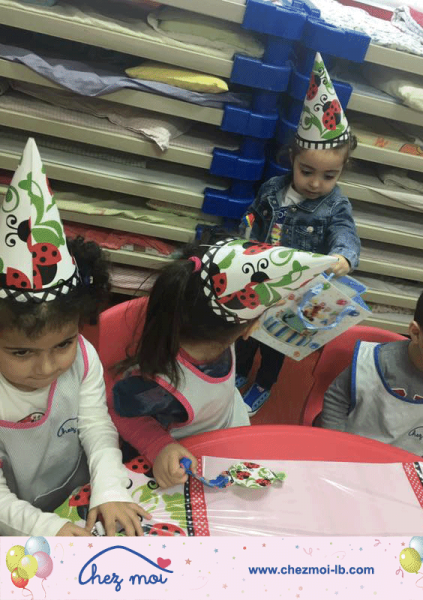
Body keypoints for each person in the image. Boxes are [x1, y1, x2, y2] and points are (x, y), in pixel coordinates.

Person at [0, 138, 148, 536]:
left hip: (76, 493)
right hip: (15, 521)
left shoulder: (83, 358)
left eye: (63, 344)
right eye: (21, 352)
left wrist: (110, 487)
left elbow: (96, 425)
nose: (48, 367)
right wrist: (46, 528)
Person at [111, 237, 337, 488]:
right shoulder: (159, 384)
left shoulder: (218, 329)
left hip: (225, 428)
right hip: (185, 454)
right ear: (249, 328)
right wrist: (158, 446)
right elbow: (118, 411)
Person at [236, 52, 361, 416]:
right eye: (307, 171)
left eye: (329, 176)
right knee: (246, 333)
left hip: (299, 289)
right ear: (292, 158)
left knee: (277, 342)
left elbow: (346, 232)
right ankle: (238, 372)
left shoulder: (335, 205)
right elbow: (252, 220)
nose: (316, 183)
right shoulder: (272, 188)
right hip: (261, 278)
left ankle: (264, 383)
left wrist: (343, 257)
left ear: (341, 171)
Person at [321, 276, 423, 464]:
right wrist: (334, 446)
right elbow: (337, 399)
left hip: (406, 470)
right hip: (347, 456)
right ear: (416, 333)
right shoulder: (373, 364)